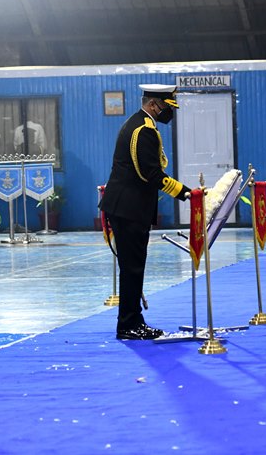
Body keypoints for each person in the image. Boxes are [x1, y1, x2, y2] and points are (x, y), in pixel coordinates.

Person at [99, 84, 191, 340]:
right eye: (165, 107)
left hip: (129, 207)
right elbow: (149, 173)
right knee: (132, 268)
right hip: (128, 208)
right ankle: (129, 325)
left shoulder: (141, 124)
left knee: (133, 267)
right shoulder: (144, 129)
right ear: (153, 105)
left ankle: (133, 322)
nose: (167, 114)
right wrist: (184, 192)